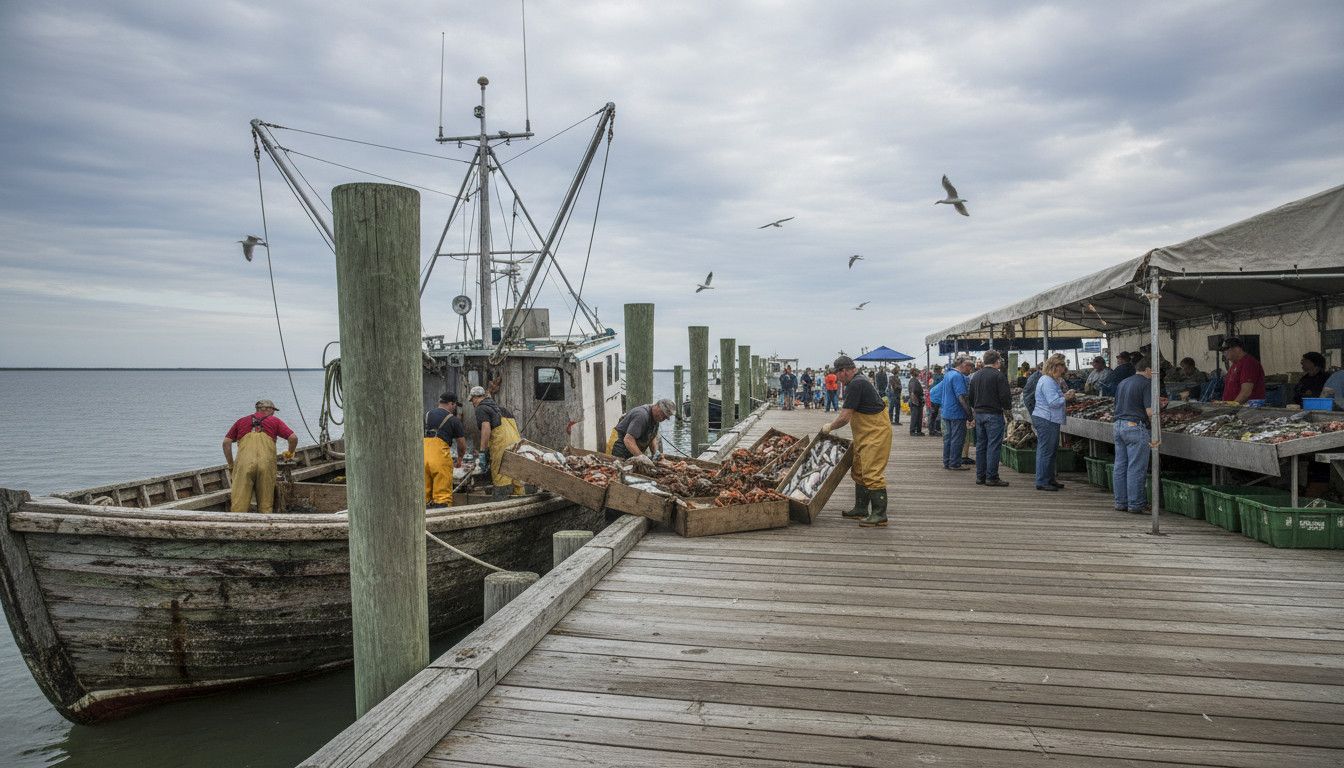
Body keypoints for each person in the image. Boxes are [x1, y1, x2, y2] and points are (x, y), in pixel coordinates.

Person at [821, 355, 892, 527]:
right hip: (865, 433)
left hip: (875, 433)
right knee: (859, 471)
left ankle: (879, 515)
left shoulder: (856, 384)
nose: (836, 378)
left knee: (872, 473)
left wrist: (829, 427)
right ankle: (861, 509)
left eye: (837, 374)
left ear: (844, 371)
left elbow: (845, 417)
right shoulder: (858, 381)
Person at [223, 398, 298, 513]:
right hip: (266, 465)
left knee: (239, 503)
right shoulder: (275, 421)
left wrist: (231, 465)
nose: (273, 413)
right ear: (268, 409)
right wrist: (289, 453)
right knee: (265, 503)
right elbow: (293, 438)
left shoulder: (241, 421)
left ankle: (237, 524)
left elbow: (226, 443)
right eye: (273, 411)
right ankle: (265, 526)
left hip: (243, 465)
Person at [1112, 360, 1159, 514]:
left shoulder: (1123, 382)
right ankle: (1136, 504)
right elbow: (1150, 411)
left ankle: (1120, 502)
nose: (1154, 374)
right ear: (1147, 369)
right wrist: (1156, 430)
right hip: (1134, 427)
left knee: (1120, 466)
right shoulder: (1146, 383)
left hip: (1118, 425)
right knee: (1136, 467)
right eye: (1154, 370)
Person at [469, 385, 524, 498]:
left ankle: (501, 502)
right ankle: (520, 501)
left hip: (501, 446)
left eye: (472, 400)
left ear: (475, 398)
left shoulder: (481, 408)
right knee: (515, 476)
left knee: (500, 475)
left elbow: (486, 428)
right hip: (516, 445)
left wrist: (483, 451)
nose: (472, 403)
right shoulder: (502, 409)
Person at [970, 350, 1012, 486]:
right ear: (997, 361)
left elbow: (970, 397)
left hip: (979, 413)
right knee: (993, 446)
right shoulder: (999, 376)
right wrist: (1007, 409)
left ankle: (980, 476)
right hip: (993, 414)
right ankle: (992, 477)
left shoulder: (975, 376)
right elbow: (1005, 397)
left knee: (981, 445)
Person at [1032, 359, 1073, 492]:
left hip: (1048, 418)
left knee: (1049, 450)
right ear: (1055, 367)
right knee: (1046, 451)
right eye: (1062, 367)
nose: (1063, 370)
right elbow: (1053, 402)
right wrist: (1066, 397)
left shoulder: (1048, 380)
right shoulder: (1048, 381)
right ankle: (1043, 481)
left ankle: (1048, 479)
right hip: (1046, 419)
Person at [607, 398, 675, 473]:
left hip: (631, 449)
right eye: (663, 414)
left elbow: (651, 437)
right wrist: (642, 457)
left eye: (666, 417)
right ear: (657, 406)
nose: (663, 418)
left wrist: (656, 454)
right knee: (615, 473)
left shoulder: (655, 418)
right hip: (619, 446)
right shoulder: (641, 415)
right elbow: (628, 440)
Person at [424, 393, 467, 508]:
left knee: (423, 494)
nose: (454, 408)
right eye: (454, 405)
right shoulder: (454, 420)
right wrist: (459, 459)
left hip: (422, 456)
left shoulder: (427, 415)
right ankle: (440, 520)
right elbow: (462, 445)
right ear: (451, 404)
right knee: (442, 496)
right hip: (439, 459)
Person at [940, 357, 974, 470]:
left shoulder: (948, 374)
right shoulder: (958, 377)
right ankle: (955, 463)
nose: (971, 370)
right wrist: (970, 415)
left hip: (946, 411)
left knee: (948, 438)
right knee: (957, 439)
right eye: (970, 366)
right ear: (963, 365)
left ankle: (947, 461)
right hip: (957, 413)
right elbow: (962, 397)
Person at [1220, 337, 1265, 404]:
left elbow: (1246, 393)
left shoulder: (1249, 363)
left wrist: (1231, 407)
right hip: (1234, 409)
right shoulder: (1234, 365)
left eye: (1225, 350)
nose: (1223, 353)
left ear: (1237, 349)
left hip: (1246, 411)